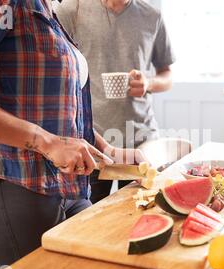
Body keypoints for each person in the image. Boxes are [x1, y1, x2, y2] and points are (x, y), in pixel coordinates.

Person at [0, 0, 145, 269]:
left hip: (70, 189)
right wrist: (46, 142)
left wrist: (108, 152)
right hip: (17, 187)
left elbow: (58, 112)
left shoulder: (46, 9)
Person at [54, 0, 175, 203]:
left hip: (141, 140)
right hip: (92, 142)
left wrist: (149, 83)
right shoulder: (71, 10)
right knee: (90, 221)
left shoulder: (152, 15)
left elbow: (167, 75)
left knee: (139, 217)